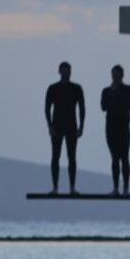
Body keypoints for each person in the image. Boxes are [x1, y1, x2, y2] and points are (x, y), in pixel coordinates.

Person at [45, 62, 85, 195]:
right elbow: (47, 108)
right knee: (55, 156)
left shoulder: (76, 88)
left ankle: (72, 188)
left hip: (71, 126)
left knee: (71, 157)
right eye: (64, 70)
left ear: (70, 72)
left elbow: (82, 108)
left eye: (68, 71)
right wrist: (50, 126)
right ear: (59, 71)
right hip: (57, 126)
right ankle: (55, 187)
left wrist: (81, 126)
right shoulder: (53, 88)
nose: (66, 73)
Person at [101, 65, 130, 196]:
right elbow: (103, 106)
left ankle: (125, 188)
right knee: (114, 158)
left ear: (122, 75)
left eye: (117, 74)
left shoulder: (129, 89)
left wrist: (115, 94)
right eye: (113, 74)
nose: (115, 77)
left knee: (125, 157)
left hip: (123, 129)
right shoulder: (106, 91)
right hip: (110, 129)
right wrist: (113, 94)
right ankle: (115, 188)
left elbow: (127, 104)